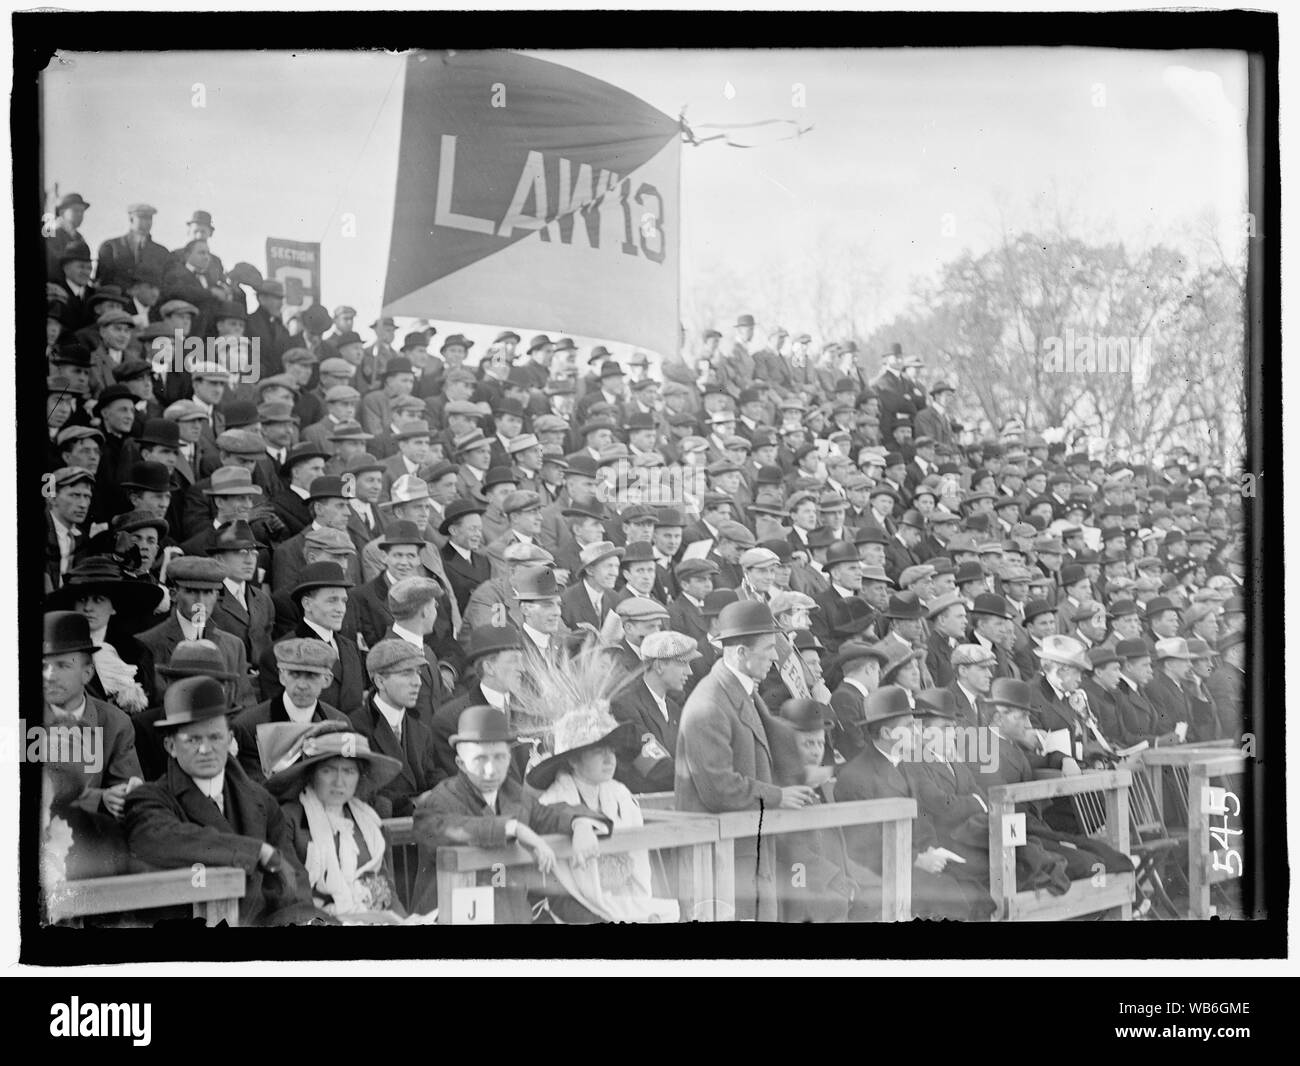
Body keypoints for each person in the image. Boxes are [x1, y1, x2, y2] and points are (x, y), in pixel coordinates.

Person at [122, 676, 326, 926]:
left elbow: (292, 883)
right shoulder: (150, 799)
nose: (205, 749)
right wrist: (256, 851)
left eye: (215, 737)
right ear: (170, 746)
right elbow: (162, 838)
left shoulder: (261, 800)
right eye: (193, 740)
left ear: (230, 740)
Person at [675, 600, 815, 921]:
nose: (776, 656)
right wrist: (780, 795)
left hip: (744, 850)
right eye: (768, 648)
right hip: (721, 861)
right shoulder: (709, 705)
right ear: (740, 652)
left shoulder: (742, 692)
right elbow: (719, 788)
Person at [409, 706, 613, 920]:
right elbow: (437, 828)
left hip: (510, 915)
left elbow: (550, 815)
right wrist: (512, 828)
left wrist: (579, 824)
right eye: (480, 759)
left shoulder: (512, 794)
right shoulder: (442, 798)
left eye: (499, 757)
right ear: (461, 763)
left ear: (509, 759)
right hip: (452, 918)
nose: (491, 769)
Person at [528, 708, 679, 923]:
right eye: (599, 750)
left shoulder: (621, 795)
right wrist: (581, 825)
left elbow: (639, 865)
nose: (609, 759)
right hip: (571, 906)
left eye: (612, 749)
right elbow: (555, 814)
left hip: (621, 900)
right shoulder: (553, 800)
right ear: (573, 760)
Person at [259, 719, 410, 922]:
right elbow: (287, 897)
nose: (339, 782)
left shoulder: (370, 822)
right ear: (311, 774)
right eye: (328, 770)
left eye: (349, 771)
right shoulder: (289, 820)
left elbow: (387, 893)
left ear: (359, 777)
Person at [41, 611, 144, 820]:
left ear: (87, 673)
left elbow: (128, 793)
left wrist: (120, 797)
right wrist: (98, 799)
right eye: (44, 666)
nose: (49, 676)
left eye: (63, 665)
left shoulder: (115, 724)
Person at [231, 638, 351, 782]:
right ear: (282, 676)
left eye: (312, 676)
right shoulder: (249, 725)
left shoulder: (340, 724)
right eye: (294, 674)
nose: (302, 685)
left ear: (327, 680)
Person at [346, 639, 442, 817]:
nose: (417, 682)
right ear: (381, 682)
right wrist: (413, 804)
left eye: (418, 673)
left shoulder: (421, 729)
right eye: (407, 673)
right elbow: (355, 790)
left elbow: (430, 774)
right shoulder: (354, 727)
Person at [610, 631, 699, 793]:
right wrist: (704, 777)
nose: (689, 672)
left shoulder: (673, 709)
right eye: (683, 663)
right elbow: (654, 768)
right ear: (659, 666)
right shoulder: (624, 706)